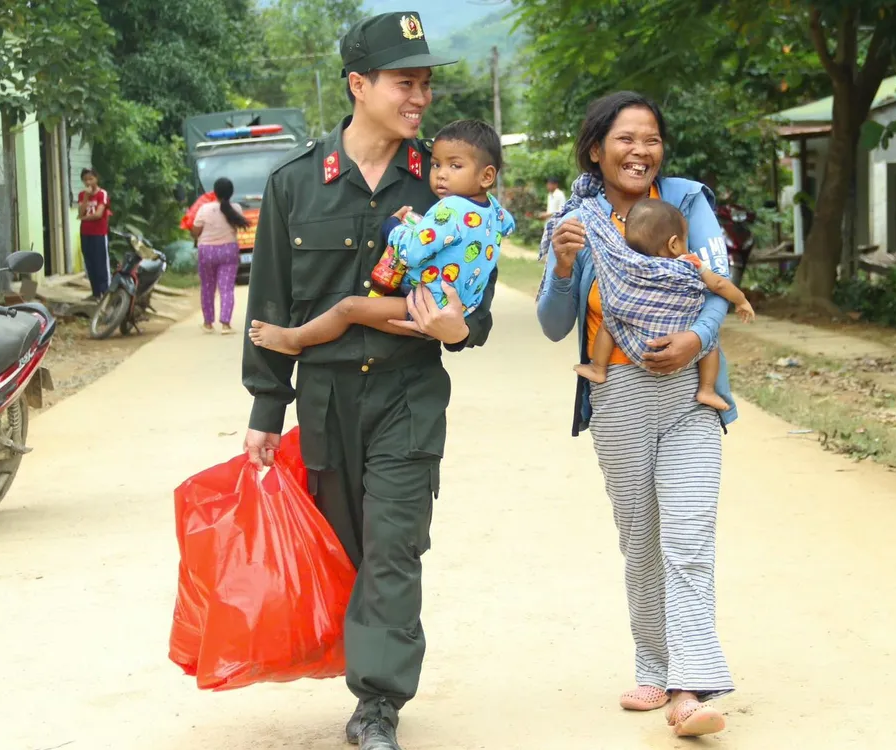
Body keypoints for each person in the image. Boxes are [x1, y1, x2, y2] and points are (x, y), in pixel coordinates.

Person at [240, 12, 494, 750]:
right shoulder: (295, 183)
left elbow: (470, 304)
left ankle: (378, 703)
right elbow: (273, 302)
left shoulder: (440, 184)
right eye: (403, 82)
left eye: (425, 83)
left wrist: (460, 329)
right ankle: (357, 663)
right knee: (348, 545)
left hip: (407, 394)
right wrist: (265, 406)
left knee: (393, 545)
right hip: (324, 400)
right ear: (360, 84)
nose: (419, 97)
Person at [537, 91, 737, 739]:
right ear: (596, 149)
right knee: (640, 537)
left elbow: (715, 284)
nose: (640, 152)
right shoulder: (579, 219)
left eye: (651, 139)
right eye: (625, 139)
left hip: (689, 395)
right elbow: (552, 322)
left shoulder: (688, 202)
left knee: (687, 537)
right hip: (619, 393)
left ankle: (690, 685)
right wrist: (564, 266)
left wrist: (694, 342)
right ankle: (653, 666)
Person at [248, 119, 514, 355]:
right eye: (435, 164)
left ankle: (294, 339)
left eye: (455, 166)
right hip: (459, 308)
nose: (441, 174)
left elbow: (412, 250)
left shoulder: (450, 208)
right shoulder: (495, 211)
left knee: (350, 309)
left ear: (487, 175)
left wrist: (392, 227)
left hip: (428, 305)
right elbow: (503, 229)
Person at [574, 198, 755, 411]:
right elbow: (718, 284)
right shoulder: (690, 262)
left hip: (640, 349)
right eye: (685, 239)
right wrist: (741, 300)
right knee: (710, 342)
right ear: (673, 244)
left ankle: (598, 368)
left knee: (609, 321)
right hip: (683, 346)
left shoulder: (630, 265)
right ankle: (706, 389)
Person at [191, 177, 250, 334]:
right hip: (228, 251)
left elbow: (195, 231)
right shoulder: (235, 208)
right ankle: (225, 325)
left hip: (207, 251)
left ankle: (208, 323)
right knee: (227, 288)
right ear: (231, 193)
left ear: (214, 192)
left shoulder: (204, 209)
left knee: (207, 287)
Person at [77, 168, 111, 300]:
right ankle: (95, 293)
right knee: (89, 262)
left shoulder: (102, 194)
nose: (88, 182)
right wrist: (86, 197)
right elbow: (80, 212)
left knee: (100, 262)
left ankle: (105, 292)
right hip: (85, 233)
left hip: (99, 233)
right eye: (85, 180)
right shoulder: (82, 195)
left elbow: (98, 214)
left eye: (91, 179)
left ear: (96, 179)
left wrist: (84, 218)